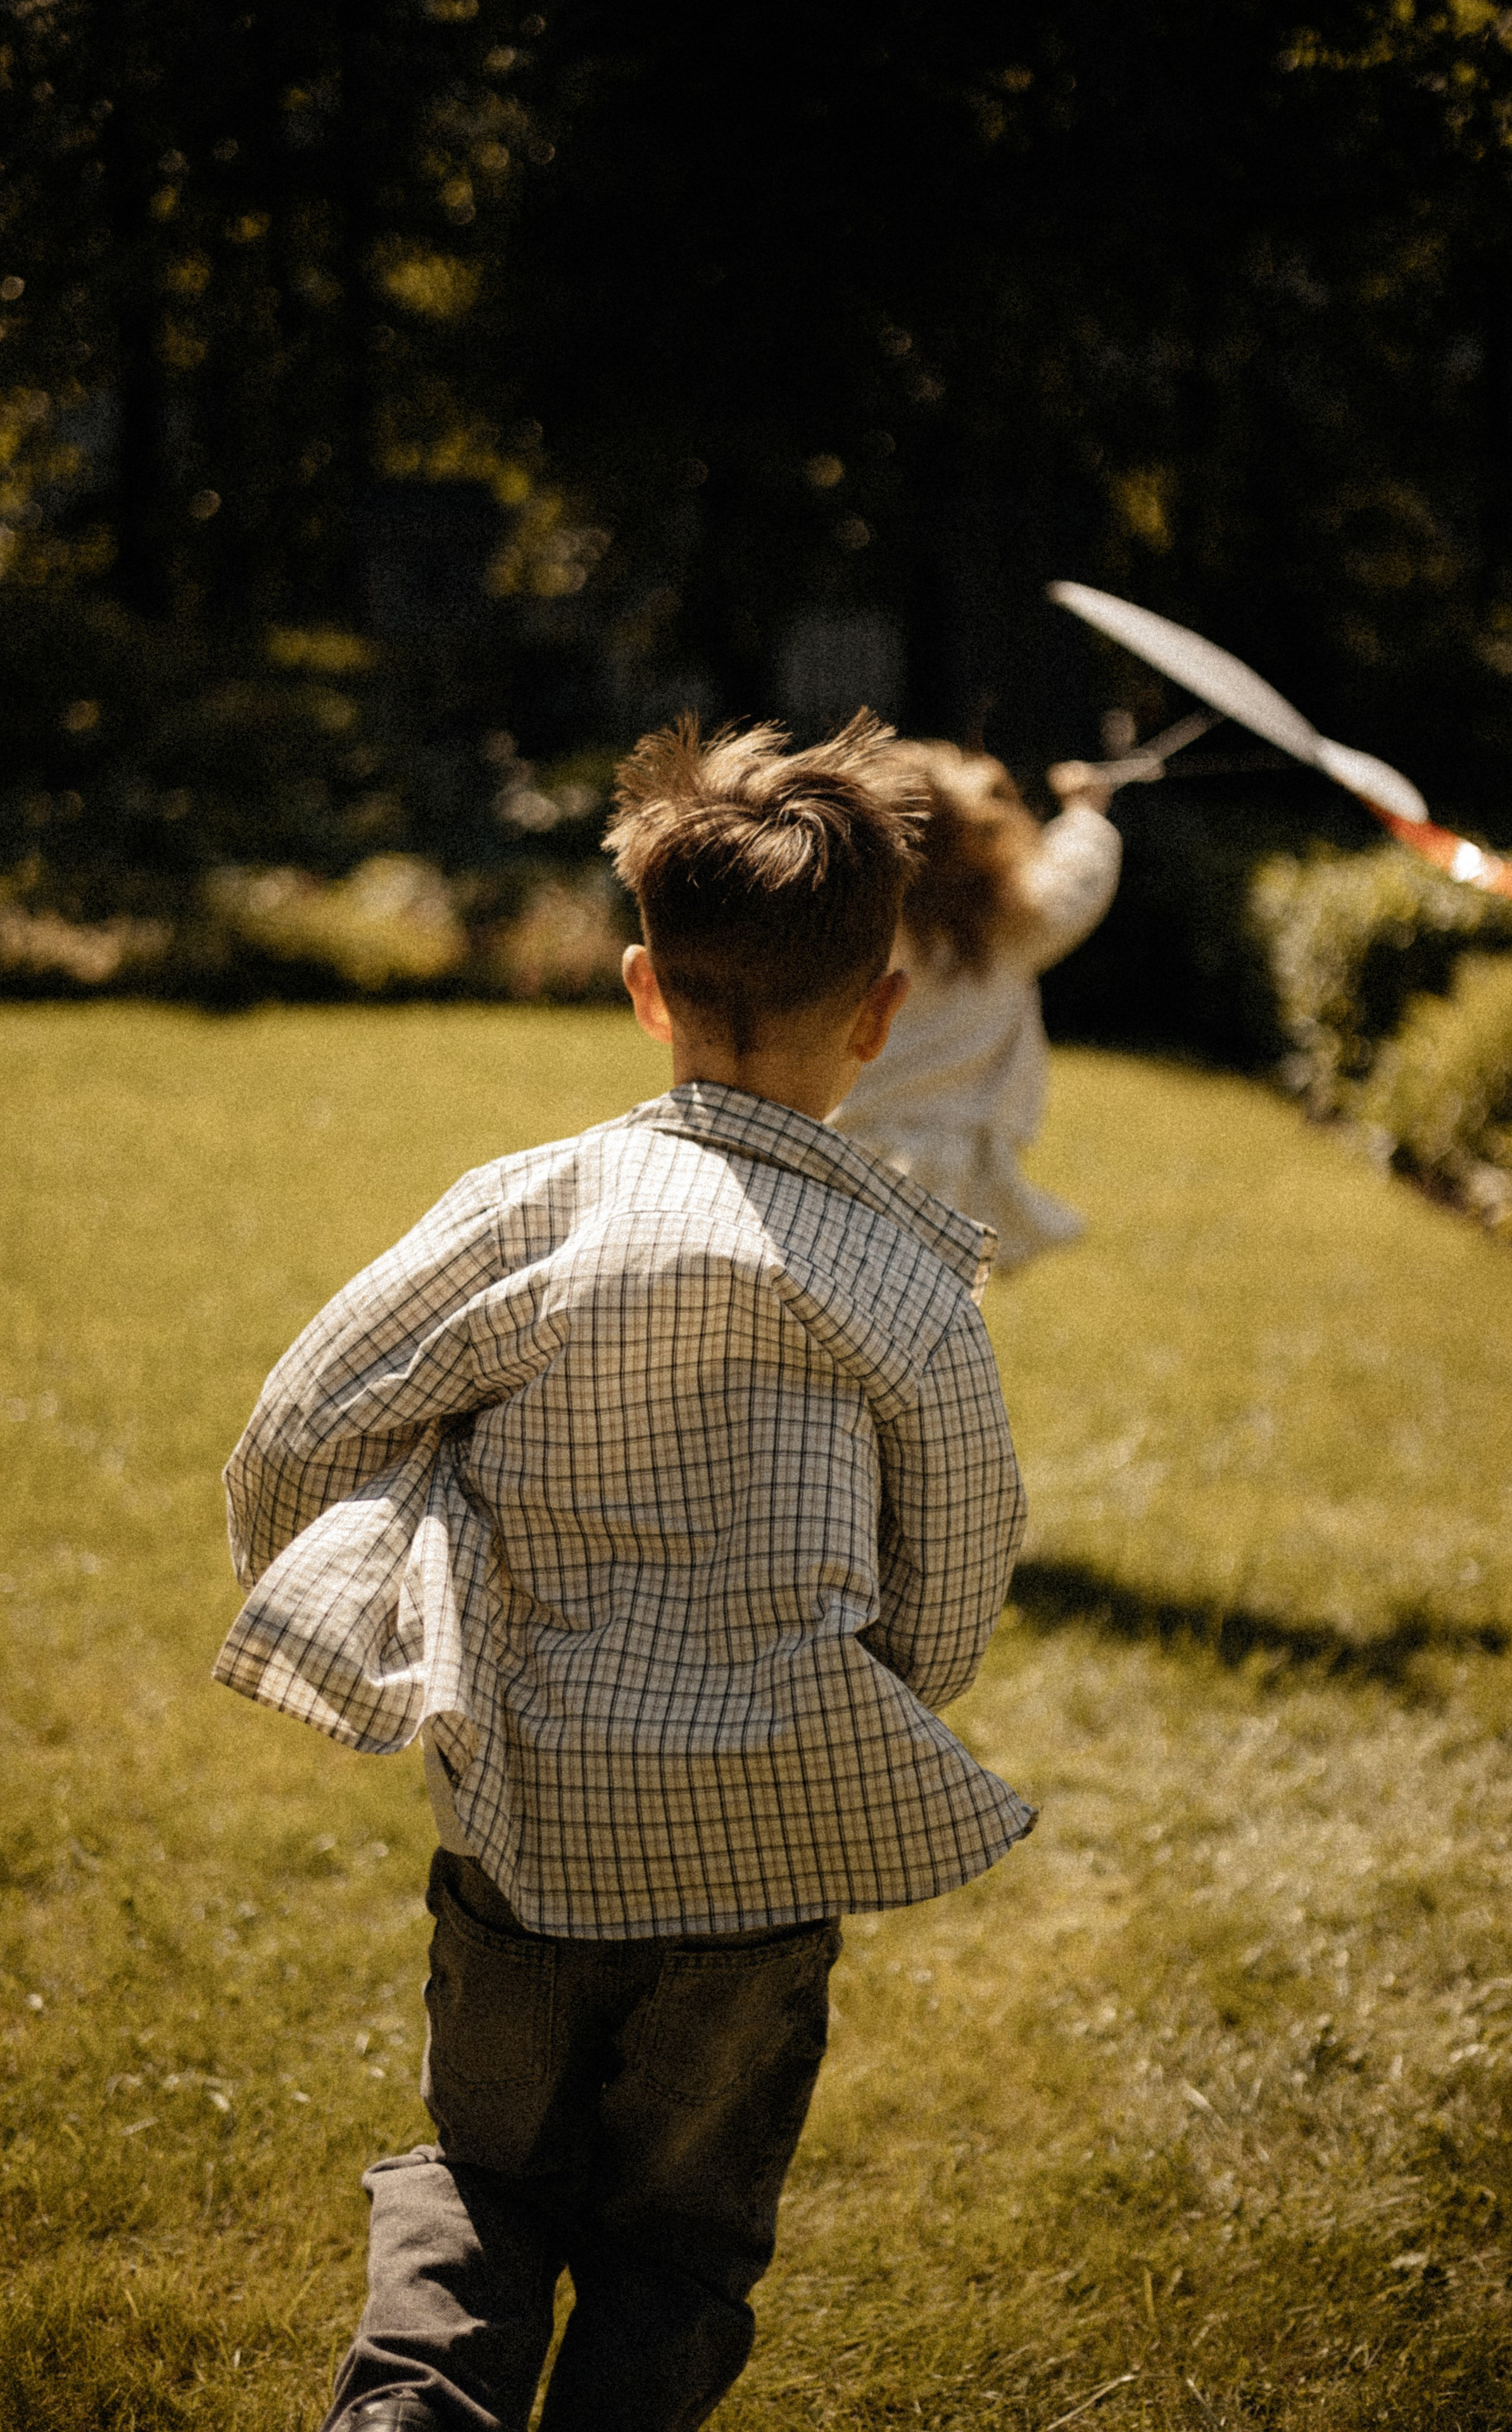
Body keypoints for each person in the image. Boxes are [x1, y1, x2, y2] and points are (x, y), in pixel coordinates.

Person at [213, 710, 1032, 2432]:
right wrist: (838, 1686)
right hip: (760, 1872)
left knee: (481, 2187)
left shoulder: (535, 1208)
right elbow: (951, 1596)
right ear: (884, 1013)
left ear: (644, 985)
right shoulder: (907, 1287)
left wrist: (391, 1595)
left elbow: (299, 1434)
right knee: (677, 2254)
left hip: (527, 1831)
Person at [829, 742, 1125, 1270]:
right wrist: (1085, 814)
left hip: (846, 1150)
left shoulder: (855, 930)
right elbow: (1075, 881)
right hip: (950, 1167)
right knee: (926, 1327)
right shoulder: (1012, 928)